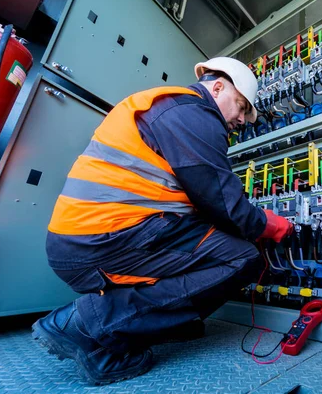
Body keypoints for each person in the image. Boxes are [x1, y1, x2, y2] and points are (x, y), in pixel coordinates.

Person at [32, 57, 292, 385]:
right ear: (217, 87)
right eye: (241, 107)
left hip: (88, 240)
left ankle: (129, 339)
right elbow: (224, 204)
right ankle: (86, 324)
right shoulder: (193, 113)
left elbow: (196, 203)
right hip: (105, 239)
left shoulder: (170, 107)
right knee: (242, 258)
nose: (241, 119)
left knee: (212, 245)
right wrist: (268, 224)